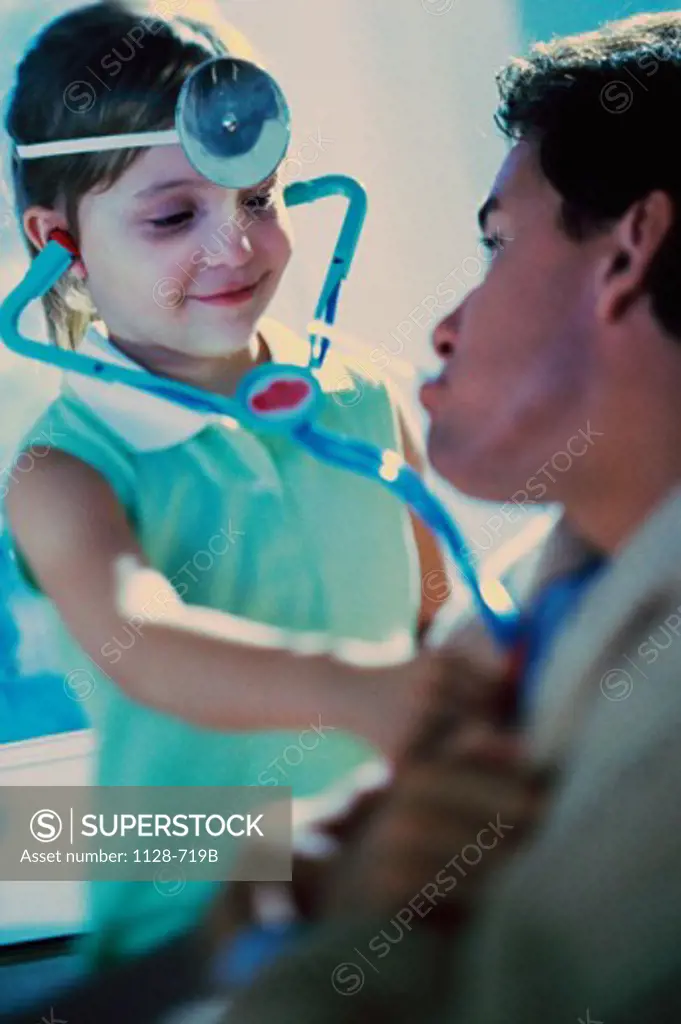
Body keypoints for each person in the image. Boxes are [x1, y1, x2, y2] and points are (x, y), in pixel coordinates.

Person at [216, 10, 681, 1022]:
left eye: (496, 242)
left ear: (630, 249)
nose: (443, 325)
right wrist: (306, 881)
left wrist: (347, 920)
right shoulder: (538, 589)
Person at [0, 1, 444, 971]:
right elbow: (143, 644)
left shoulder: (363, 394)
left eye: (259, 197)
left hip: (383, 875)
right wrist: (357, 693)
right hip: (186, 924)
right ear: (56, 247)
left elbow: (434, 625)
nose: (236, 247)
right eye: (173, 217)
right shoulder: (64, 470)